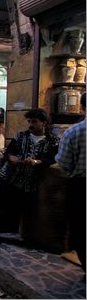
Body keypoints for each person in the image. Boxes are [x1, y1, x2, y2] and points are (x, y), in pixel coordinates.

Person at [0, 108, 59, 244]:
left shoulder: (53, 141)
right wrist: (11, 157)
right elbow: (9, 152)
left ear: (44, 122)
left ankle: (2, 229)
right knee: (0, 205)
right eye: (29, 121)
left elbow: (52, 158)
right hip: (9, 177)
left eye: (34, 121)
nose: (31, 124)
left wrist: (37, 161)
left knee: (16, 208)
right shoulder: (20, 136)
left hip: (29, 181)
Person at [55, 93, 85, 273]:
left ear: (81, 107)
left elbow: (64, 163)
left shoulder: (74, 131)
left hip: (81, 186)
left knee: (81, 227)